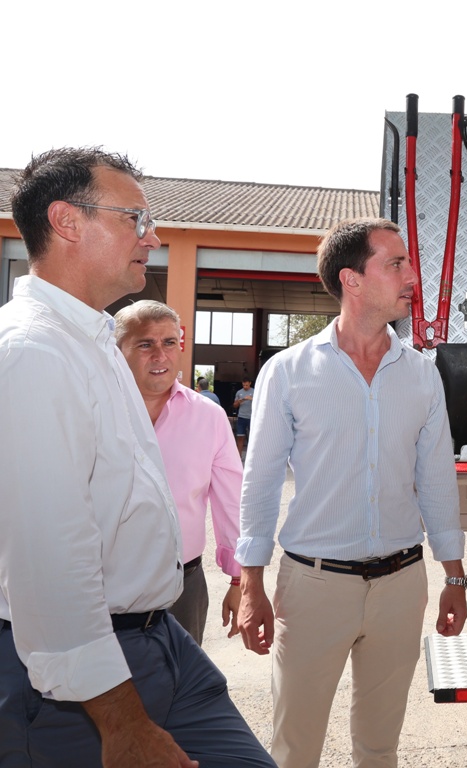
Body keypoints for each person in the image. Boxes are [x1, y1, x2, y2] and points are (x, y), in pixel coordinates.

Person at [0, 147, 274, 767]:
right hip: (81, 684)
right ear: (68, 222)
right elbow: (50, 565)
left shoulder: (93, 340)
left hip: (159, 643)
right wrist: (121, 722)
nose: (151, 237)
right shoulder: (34, 355)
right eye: (135, 219)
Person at [236, 217, 467, 768]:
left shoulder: (421, 374)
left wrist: (454, 575)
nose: (412, 276)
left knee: (379, 747)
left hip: (400, 586)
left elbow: (436, 477)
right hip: (313, 586)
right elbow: (261, 480)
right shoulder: (288, 372)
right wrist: (251, 583)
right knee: (295, 749)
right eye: (396, 264)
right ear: (352, 280)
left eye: (408, 262)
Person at [115, 301, 244, 646]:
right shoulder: (92, 412)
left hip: (183, 585)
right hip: (101, 585)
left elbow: (231, 502)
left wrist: (238, 580)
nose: (160, 354)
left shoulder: (209, 417)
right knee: (95, 695)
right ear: (117, 350)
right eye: (145, 344)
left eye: (169, 342)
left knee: (177, 694)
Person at [233, 377, 254, 454]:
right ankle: (239, 456)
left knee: (252, 437)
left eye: (247, 385)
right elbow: (234, 405)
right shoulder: (239, 392)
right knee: (240, 437)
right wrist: (239, 402)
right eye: (244, 385)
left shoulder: (254, 391)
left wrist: (251, 399)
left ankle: (252, 456)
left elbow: (261, 403)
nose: (245, 387)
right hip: (241, 417)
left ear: (250, 383)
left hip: (251, 418)